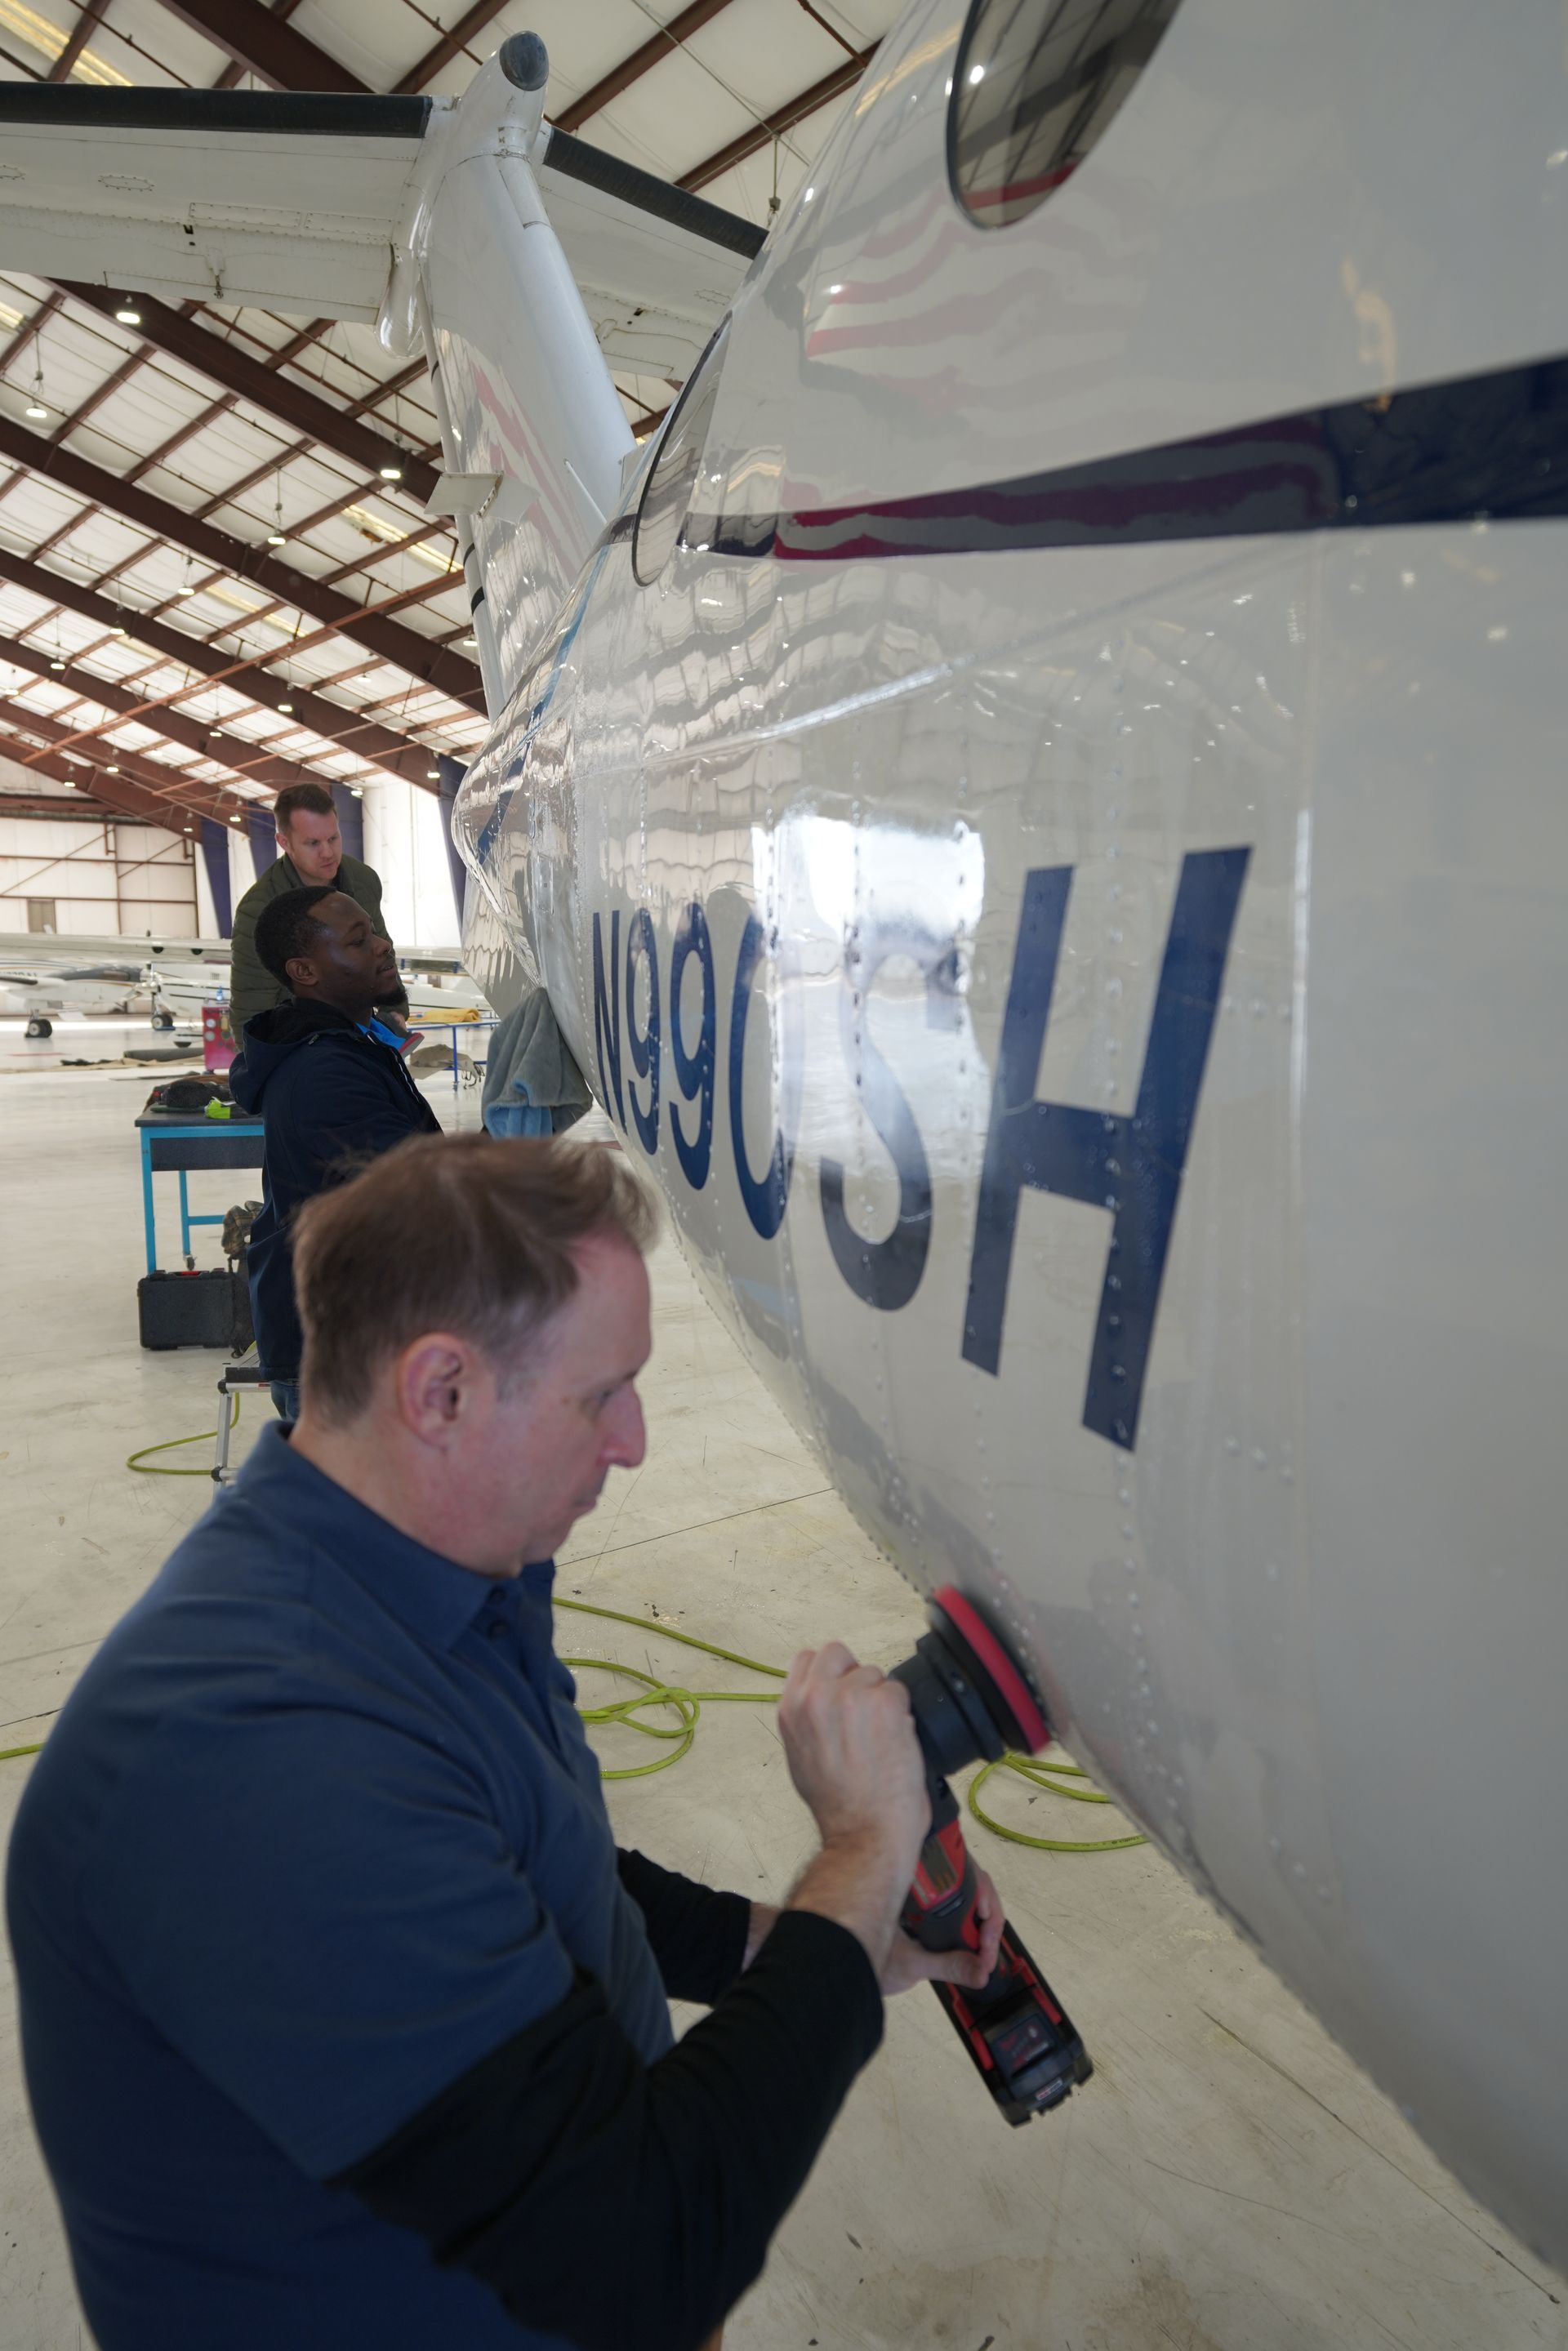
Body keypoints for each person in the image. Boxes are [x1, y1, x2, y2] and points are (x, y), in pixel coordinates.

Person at [6, 1135, 1002, 2351]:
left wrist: (800, 1938)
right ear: (441, 1391)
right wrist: (862, 1845)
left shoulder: (439, 1580)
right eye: (603, 1392)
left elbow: (538, 1871)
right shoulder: (250, 1754)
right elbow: (641, 2260)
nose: (635, 1440)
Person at [229, 884, 441, 1418]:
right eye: (359, 940)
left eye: (374, 931)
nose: (382, 945)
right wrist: (510, 1136)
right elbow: (424, 1195)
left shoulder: (349, 1044)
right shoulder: (324, 1074)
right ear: (305, 971)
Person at [228, 781, 408, 1035]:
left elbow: (379, 946)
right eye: (313, 843)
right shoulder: (258, 910)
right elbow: (250, 1009)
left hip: (360, 1033)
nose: (328, 852)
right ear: (284, 842)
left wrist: (395, 1010)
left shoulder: (362, 879)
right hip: (298, 1042)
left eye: (333, 838)